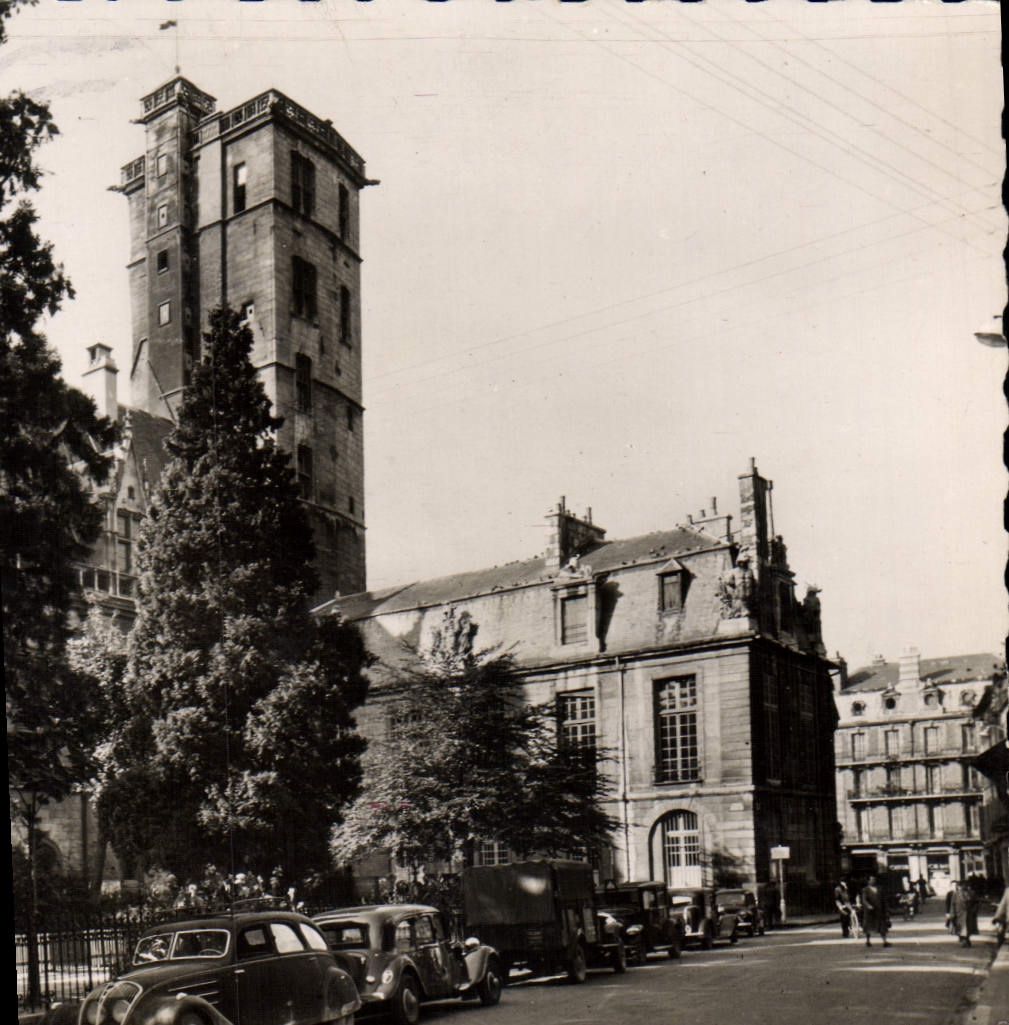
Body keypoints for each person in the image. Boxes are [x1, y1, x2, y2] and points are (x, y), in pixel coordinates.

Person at [860, 875, 890, 948]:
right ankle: (868, 941)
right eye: (872, 880)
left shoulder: (880, 889)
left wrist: (886, 909)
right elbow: (864, 900)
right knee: (868, 927)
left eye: (874, 879)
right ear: (868, 881)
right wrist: (868, 905)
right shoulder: (865, 890)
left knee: (882, 927)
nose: (873, 881)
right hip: (870, 912)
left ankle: (885, 941)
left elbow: (884, 900)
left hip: (879, 911)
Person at [950, 879, 976, 947]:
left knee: (969, 927)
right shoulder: (956, 894)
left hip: (969, 913)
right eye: (963, 885)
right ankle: (964, 940)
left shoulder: (971, 893)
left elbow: (975, 903)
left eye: (966, 885)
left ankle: (967, 939)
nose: (964, 886)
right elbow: (953, 904)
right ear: (960, 886)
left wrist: (974, 910)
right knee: (961, 927)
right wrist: (952, 913)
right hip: (959, 913)